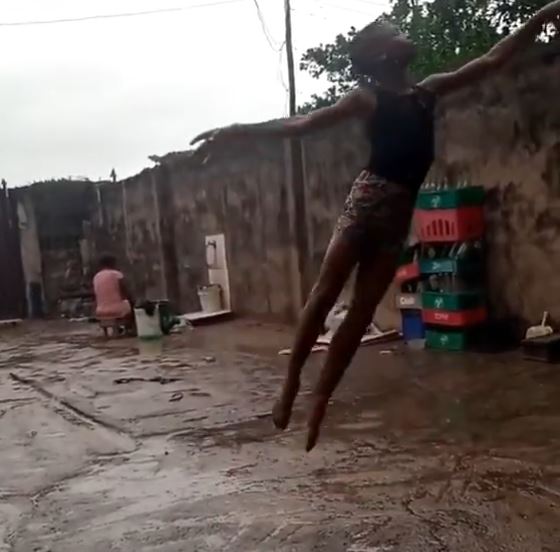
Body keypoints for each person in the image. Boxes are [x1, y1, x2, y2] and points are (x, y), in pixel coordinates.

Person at [191, 1, 560, 451]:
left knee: (361, 311)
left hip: (397, 217)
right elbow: (303, 123)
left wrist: (543, 14)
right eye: (394, 31)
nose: (404, 31)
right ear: (383, 54)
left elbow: (493, 59)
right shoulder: (367, 98)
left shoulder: (428, 92)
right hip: (366, 204)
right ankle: (291, 382)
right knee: (325, 294)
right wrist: (236, 130)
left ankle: (321, 398)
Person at [93, 254, 135, 333]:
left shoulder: (96, 277)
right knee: (132, 306)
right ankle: (131, 329)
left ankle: (117, 329)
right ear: (112, 263)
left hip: (100, 311)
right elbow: (125, 291)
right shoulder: (117, 274)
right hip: (117, 310)